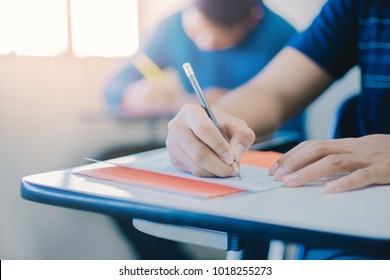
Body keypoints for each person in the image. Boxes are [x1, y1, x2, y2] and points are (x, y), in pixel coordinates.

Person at [165, 0, 390, 259]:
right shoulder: (359, 6)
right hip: (353, 220)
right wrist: (211, 121)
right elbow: (272, 92)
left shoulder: (276, 29)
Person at [103, 0, 301, 259]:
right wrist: (136, 94)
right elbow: (114, 88)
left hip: (262, 149)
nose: (207, 44)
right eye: (198, 30)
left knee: (254, 214)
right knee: (114, 169)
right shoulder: (171, 27)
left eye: (224, 37)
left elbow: (288, 118)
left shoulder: (283, 36)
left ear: (254, 16)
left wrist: (233, 106)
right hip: (194, 146)